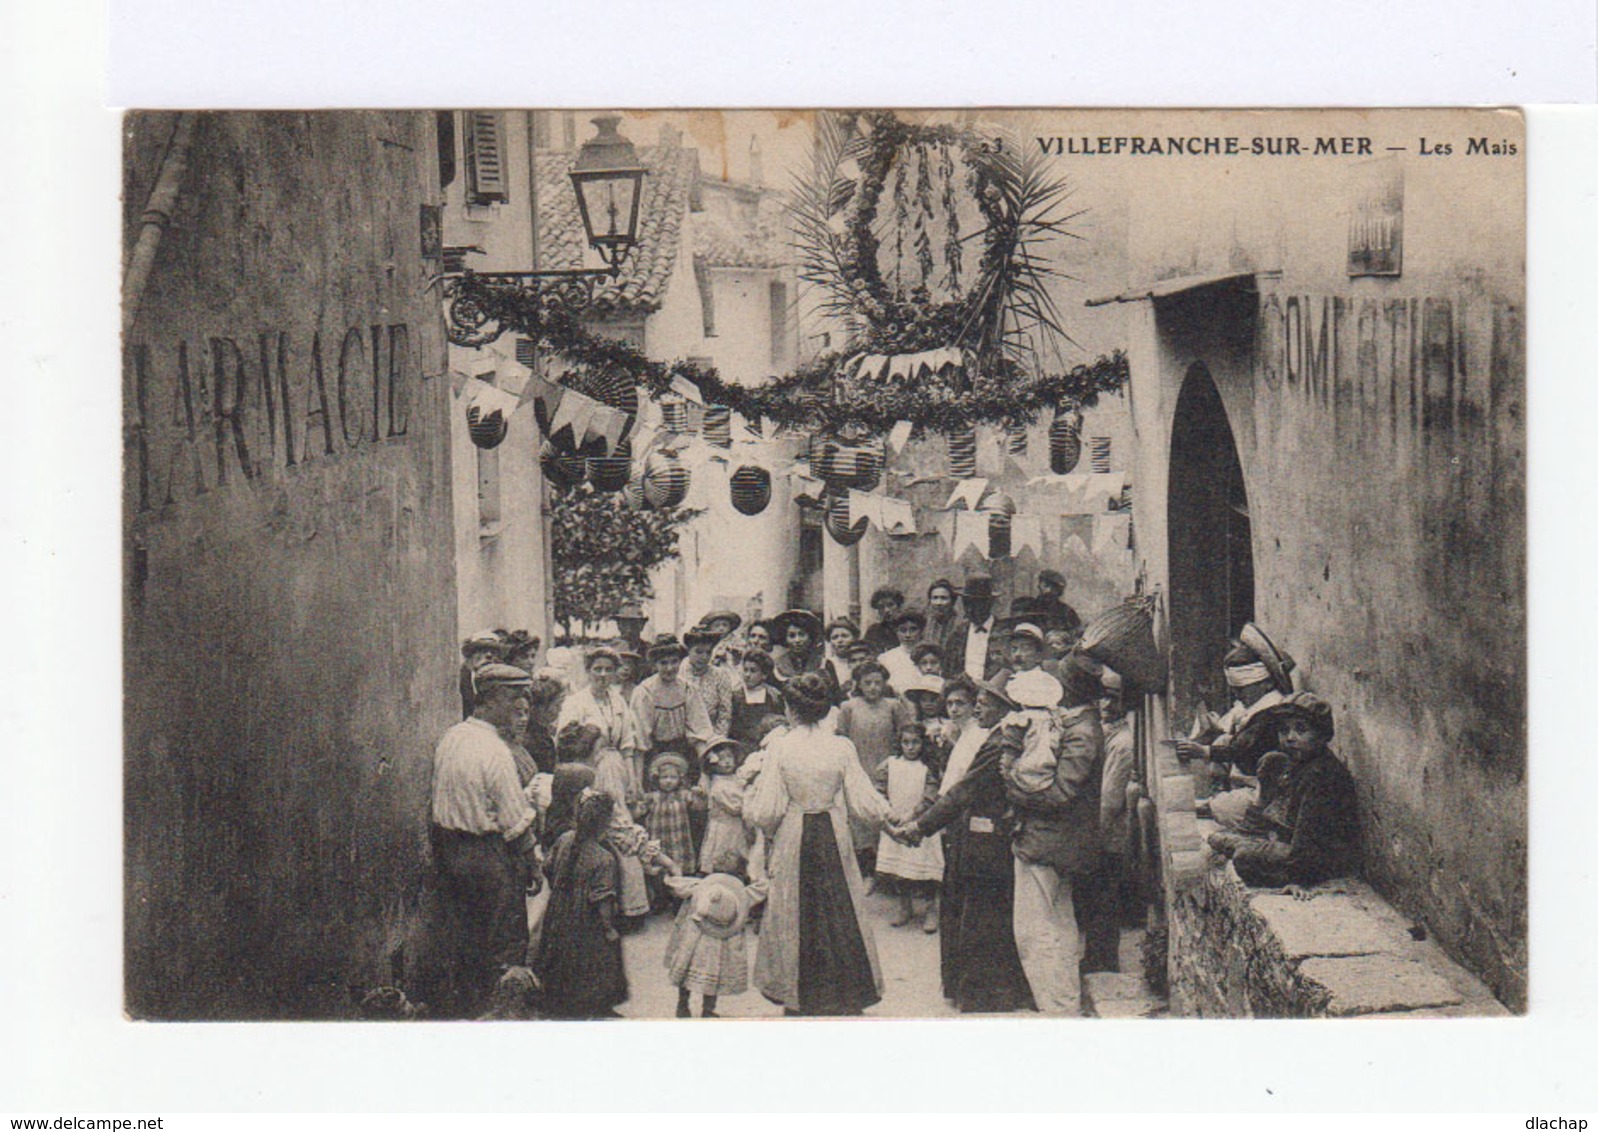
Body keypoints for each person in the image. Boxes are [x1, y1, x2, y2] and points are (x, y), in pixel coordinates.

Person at [745, 672, 895, 1016]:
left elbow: (767, 810)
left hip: (796, 831)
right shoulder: (841, 745)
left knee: (797, 908)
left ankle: (802, 991)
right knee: (839, 904)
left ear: (791, 709)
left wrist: (755, 816)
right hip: (832, 829)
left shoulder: (781, 746)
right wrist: (891, 820)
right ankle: (845, 988)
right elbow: (863, 801)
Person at [898, 678, 1034, 1013]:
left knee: (982, 916)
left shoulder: (998, 742)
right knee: (977, 913)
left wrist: (921, 827)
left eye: (985, 702)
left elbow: (963, 790)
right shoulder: (993, 737)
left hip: (986, 840)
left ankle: (985, 995)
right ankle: (975, 990)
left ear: (1005, 707)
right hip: (977, 834)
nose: (978, 708)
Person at [427, 663, 541, 1017]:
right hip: (487, 855)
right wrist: (533, 863)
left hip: (449, 850)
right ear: (490, 700)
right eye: (513, 698)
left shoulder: (454, 736)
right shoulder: (494, 751)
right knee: (504, 940)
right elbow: (515, 821)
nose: (519, 707)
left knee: (467, 936)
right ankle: (501, 1011)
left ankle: (468, 1006)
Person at [1003, 654, 1106, 1015]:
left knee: (1035, 932)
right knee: (1059, 926)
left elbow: (1061, 793)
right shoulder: (1075, 724)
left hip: (1051, 842)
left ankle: (1057, 1010)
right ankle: (1064, 1006)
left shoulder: (1083, 731)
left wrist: (1013, 787)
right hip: (1056, 841)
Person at [1207, 693, 1359, 888]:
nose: (1290, 738)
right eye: (1284, 730)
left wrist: (1299, 881)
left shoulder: (1320, 775)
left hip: (1322, 858)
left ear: (1321, 735)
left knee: (1243, 857)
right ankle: (1237, 841)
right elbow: (1275, 815)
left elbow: (1307, 841)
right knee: (1224, 840)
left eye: (1301, 730)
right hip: (1296, 846)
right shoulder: (1297, 764)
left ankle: (1238, 843)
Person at [1175, 623, 1295, 829]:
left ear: (1265, 684)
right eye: (1235, 690)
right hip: (1245, 772)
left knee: (1227, 808)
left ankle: (1224, 807)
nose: (1238, 696)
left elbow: (1242, 748)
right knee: (1222, 740)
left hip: (1262, 786)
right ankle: (1220, 793)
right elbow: (1228, 726)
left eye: (1242, 690)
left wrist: (1203, 751)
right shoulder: (1252, 703)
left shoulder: (1272, 710)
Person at [537, 790, 635, 1019]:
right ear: (606, 822)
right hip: (587, 920)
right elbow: (602, 899)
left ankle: (560, 1003)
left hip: (559, 911)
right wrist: (609, 928)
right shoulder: (603, 857)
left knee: (560, 956)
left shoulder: (564, 839)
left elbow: (547, 868)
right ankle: (594, 1006)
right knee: (593, 962)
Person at [663, 852, 768, 1018]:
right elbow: (762, 889)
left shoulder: (698, 886)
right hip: (722, 943)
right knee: (715, 975)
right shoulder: (743, 894)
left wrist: (669, 871)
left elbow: (677, 885)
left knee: (686, 973)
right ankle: (708, 1009)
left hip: (695, 941)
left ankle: (682, 1004)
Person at [834, 661, 915, 877]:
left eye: (877, 683)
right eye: (867, 683)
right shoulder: (848, 707)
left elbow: (906, 735)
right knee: (858, 820)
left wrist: (894, 762)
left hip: (886, 772)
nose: (872, 688)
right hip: (857, 771)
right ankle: (863, 869)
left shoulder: (893, 706)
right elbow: (840, 741)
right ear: (858, 684)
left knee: (885, 816)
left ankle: (886, 871)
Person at [873, 723, 944, 932]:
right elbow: (878, 792)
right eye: (906, 742)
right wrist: (891, 815)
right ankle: (904, 906)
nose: (910, 747)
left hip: (920, 824)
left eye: (915, 742)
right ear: (899, 743)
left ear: (923, 744)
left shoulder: (926, 768)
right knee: (899, 869)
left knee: (926, 870)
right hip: (896, 822)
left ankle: (931, 910)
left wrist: (912, 816)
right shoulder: (890, 764)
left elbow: (930, 796)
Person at [630, 633, 716, 784]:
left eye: (674, 662)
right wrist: (636, 782)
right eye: (663, 663)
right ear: (655, 665)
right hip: (653, 753)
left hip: (684, 751)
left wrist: (704, 775)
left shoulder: (688, 689)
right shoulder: (644, 692)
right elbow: (640, 741)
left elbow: (700, 731)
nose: (670, 668)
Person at [558, 647, 641, 790]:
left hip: (617, 769)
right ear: (588, 671)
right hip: (587, 771)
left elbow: (627, 747)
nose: (603, 674)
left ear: (615, 672)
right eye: (598, 669)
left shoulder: (619, 702)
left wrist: (632, 781)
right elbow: (565, 746)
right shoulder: (575, 702)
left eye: (609, 669)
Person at [635, 753, 697, 900]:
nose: (668, 781)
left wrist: (698, 794)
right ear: (657, 779)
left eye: (673, 777)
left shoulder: (683, 795)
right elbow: (639, 812)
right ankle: (660, 898)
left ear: (679, 779)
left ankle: (678, 897)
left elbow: (698, 805)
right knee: (660, 869)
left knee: (679, 869)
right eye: (664, 777)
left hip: (678, 840)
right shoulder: (652, 797)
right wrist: (635, 805)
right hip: (659, 840)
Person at [696, 739, 751, 878]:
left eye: (729, 757)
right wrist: (749, 802)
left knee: (741, 856)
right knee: (724, 856)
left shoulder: (737, 778)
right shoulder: (717, 785)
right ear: (713, 764)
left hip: (738, 826)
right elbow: (734, 807)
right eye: (721, 759)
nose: (727, 762)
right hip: (724, 827)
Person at [942, 574, 1006, 682]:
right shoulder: (958, 634)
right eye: (966, 604)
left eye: (977, 603)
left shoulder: (1004, 633)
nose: (970, 609)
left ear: (989, 603)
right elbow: (948, 671)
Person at [681, 627, 738, 738]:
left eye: (708, 652)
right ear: (688, 650)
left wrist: (717, 739)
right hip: (682, 737)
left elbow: (725, 712)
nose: (704, 657)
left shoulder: (720, 675)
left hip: (712, 735)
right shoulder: (678, 673)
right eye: (698, 652)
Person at [728, 649, 787, 751]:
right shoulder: (735, 696)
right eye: (745, 670)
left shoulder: (774, 696)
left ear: (764, 674)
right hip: (740, 747)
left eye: (753, 671)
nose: (747, 675)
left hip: (768, 745)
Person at [771, 609, 834, 699]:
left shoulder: (824, 664)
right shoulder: (776, 666)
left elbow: (835, 697)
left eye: (802, 634)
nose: (797, 640)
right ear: (785, 639)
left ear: (810, 636)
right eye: (792, 636)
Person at [521, 672, 566, 776]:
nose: (560, 709)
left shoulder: (541, 732)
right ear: (542, 707)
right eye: (557, 704)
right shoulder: (535, 741)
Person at [1016, 569, 1082, 637]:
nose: (1049, 590)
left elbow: (1077, 631)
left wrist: (1065, 635)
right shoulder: (1028, 606)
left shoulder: (1066, 611)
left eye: (1054, 588)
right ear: (1039, 586)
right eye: (1046, 585)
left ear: (1059, 591)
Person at [458, 630, 507, 719]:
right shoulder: (461, 679)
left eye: (493, 652)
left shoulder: (501, 681)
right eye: (482, 651)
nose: (489, 655)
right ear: (471, 655)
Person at [878, 608, 927, 693]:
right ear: (896, 632)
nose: (908, 635)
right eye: (903, 630)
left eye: (913, 629)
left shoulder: (928, 656)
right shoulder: (885, 658)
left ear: (921, 631)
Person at [863, 587, 906, 654]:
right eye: (881, 607)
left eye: (890, 605)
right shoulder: (873, 631)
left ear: (899, 606)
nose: (886, 610)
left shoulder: (908, 629)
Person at [823, 618, 861, 692]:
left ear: (854, 638)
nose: (840, 640)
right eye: (835, 637)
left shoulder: (862, 660)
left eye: (844, 636)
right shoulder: (826, 664)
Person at [925, 578, 960, 654]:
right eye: (935, 598)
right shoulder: (925, 624)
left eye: (943, 598)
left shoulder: (960, 625)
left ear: (952, 601)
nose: (938, 603)